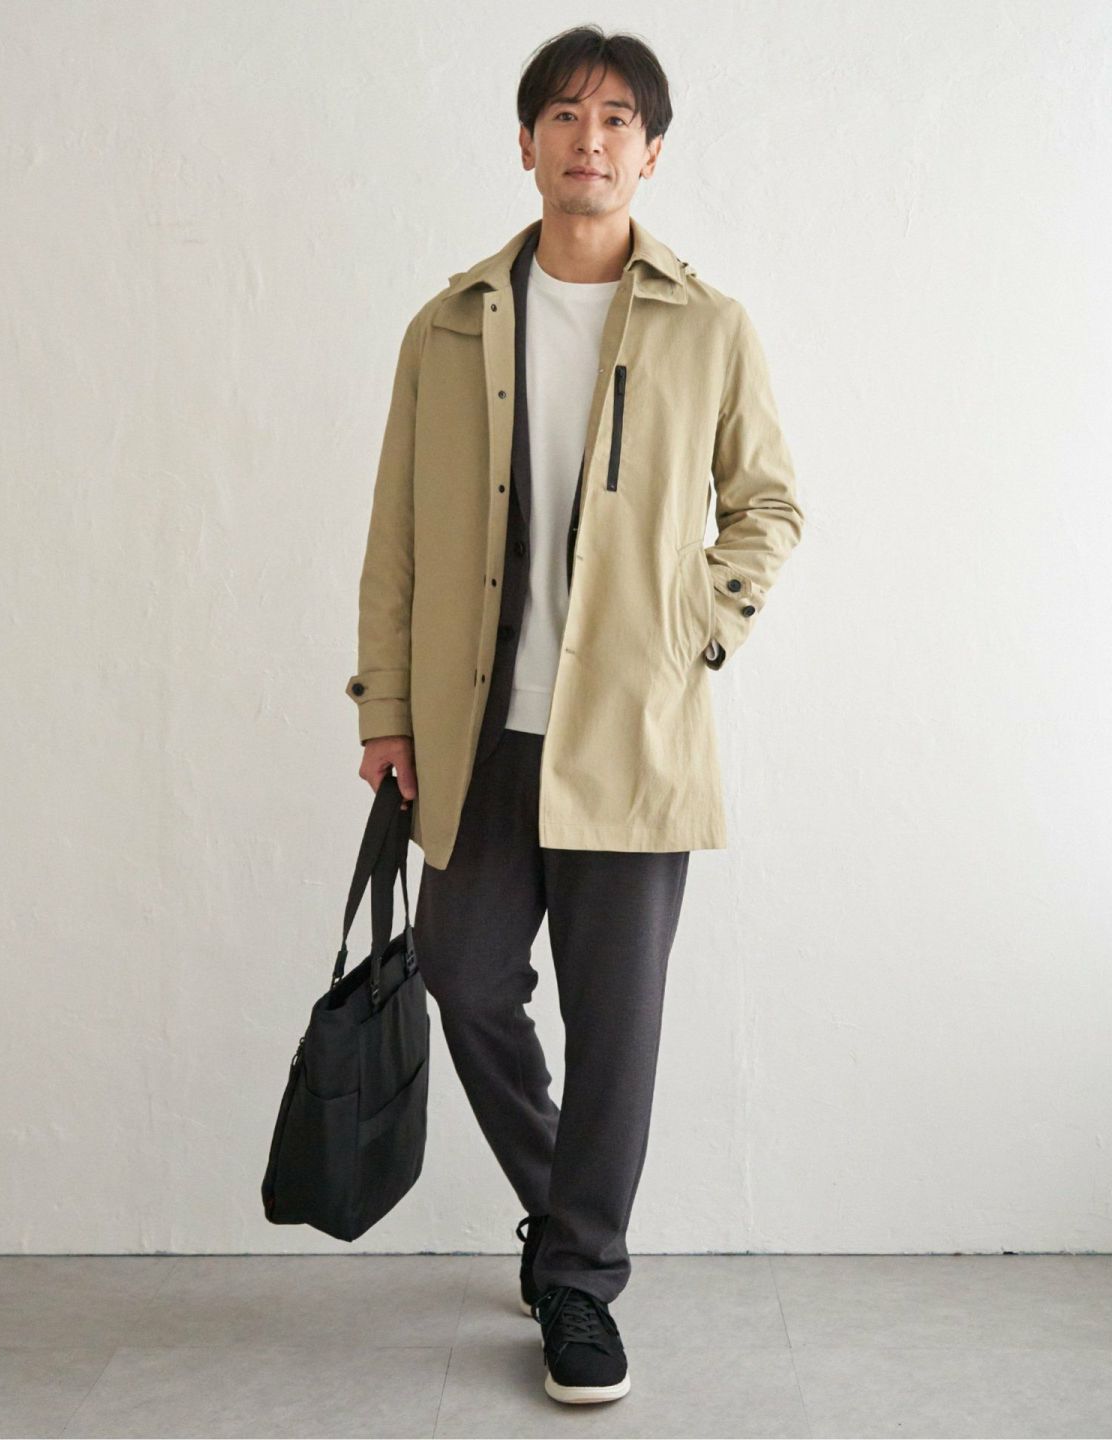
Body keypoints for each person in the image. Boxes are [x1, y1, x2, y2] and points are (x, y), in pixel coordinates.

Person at [345, 23, 804, 1405]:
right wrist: (386, 707)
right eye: (563, 115)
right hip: (478, 732)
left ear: (649, 153)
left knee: (619, 1024)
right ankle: (571, 1225)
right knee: (462, 974)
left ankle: (581, 1286)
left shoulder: (708, 326)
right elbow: (397, 538)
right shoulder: (448, 328)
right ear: (527, 143)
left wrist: (696, 628)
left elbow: (768, 506)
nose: (587, 139)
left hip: (633, 734)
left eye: (615, 120)